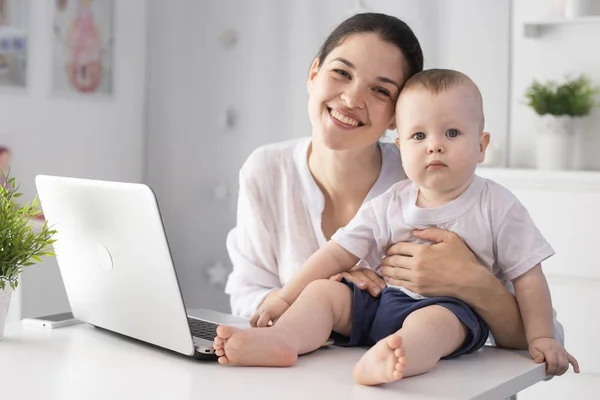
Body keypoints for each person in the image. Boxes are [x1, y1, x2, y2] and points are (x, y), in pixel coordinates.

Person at [224, 12, 563, 356]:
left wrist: (472, 281)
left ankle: (400, 355)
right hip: (318, 374)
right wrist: (316, 294)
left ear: (394, 118)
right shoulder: (267, 169)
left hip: (437, 367)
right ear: (314, 74)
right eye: (341, 72)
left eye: (380, 90)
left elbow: (545, 333)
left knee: (434, 323)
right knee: (321, 295)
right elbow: (248, 297)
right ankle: (283, 344)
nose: (353, 99)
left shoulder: (434, 182)